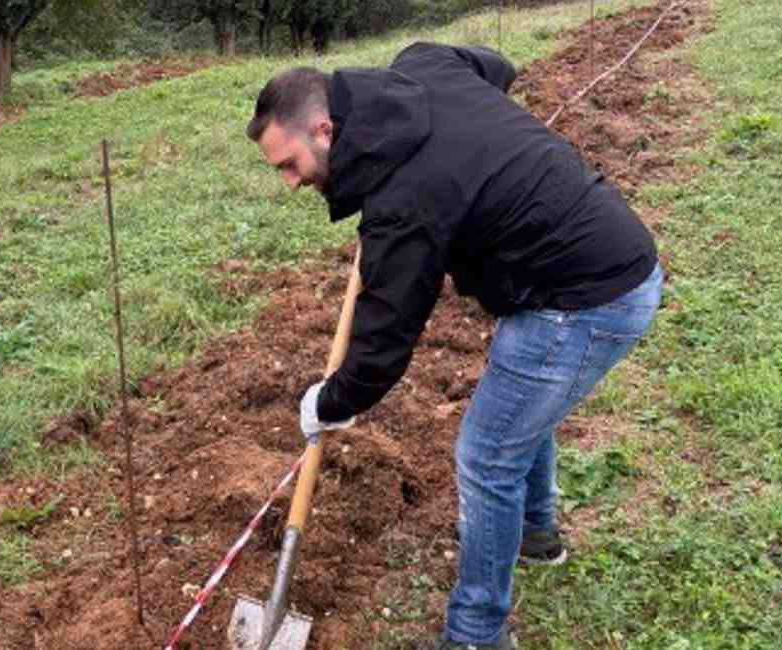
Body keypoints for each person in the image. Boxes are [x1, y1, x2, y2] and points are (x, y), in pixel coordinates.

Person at [246, 42, 663, 650]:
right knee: (520, 413)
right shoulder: (422, 65)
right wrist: (488, 157)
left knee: (486, 457)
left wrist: (332, 402)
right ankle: (535, 533)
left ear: (326, 129)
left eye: (289, 164)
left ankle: (475, 637)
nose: (289, 183)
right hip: (595, 258)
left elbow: (386, 337)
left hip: (586, 299)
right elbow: (495, 68)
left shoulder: (402, 204)